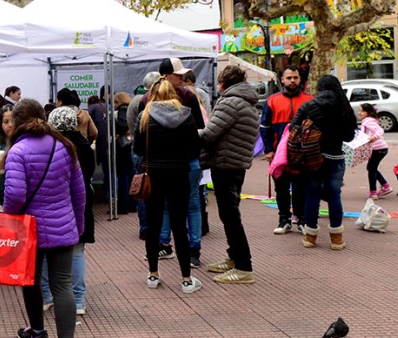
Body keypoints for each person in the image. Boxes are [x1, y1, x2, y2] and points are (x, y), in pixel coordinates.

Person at [5, 99, 85, 338]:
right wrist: (77, 224)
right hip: (62, 226)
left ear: (18, 122)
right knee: (62, 285)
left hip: (29, 229)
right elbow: (79, 191)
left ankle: (37, 330)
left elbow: (15, 195)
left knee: (30, 281)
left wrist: (10, 217)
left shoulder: (17, 151)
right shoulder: (63, 145)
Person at [132, 78, 203, 294]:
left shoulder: (144, 116)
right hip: (179, 173)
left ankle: (153, 274)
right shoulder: (186, 114)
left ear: (152, 95)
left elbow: (137, 148)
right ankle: (186, 278)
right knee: (179, 226)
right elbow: (194, 148)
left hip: (153, 173)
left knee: (153, 225)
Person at [198, 66, 259, 284]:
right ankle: (234, 257)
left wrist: (187, 132)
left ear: (223, 82)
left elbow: (209, 134)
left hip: (226, 164)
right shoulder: (246, 102)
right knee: (229, 214)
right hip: (235, 165)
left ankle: (244, 266)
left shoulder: (230, 102)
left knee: (231, 216)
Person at [290, 75, 356, 251]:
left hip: (312, 157)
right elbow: (350, 136)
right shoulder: (344, 106)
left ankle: (310, 237)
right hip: (335, 157)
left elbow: (293, 128)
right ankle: (336, 239)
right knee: (334, 195)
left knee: (312, 195)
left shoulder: (309, 105)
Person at [41, 107, 96, 316]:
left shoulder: (52, 147)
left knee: (46, 253)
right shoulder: (85, 146)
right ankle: (79, 299)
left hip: (55, 205)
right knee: (77, 252)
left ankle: (47, 296)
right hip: (82, 203)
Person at [260, 65, 313, 234]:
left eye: (295, 77)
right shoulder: (272, 101)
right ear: (282, 79)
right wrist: (268, 150)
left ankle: (302, 220)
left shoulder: (309, 100)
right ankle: (284, 220)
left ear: (300, 79)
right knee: (281, 188)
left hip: (302, 153)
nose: (292, 81)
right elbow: (264, 127)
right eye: (289, 78)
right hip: (278, 153)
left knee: (300, 188)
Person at [127, 72, 160, 240]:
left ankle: (146, 228)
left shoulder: (135, 100)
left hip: (138, 149)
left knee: (142, 189)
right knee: (148, 189)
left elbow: (132, 128)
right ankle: (152, 228)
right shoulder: (145, 101)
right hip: (147, 151)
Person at [359, 103, 392, 199]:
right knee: (371, 168)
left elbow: (380, 130)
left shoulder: (367, 121)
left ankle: (373, 192)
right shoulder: (369, 120)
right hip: (380, 149)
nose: (359, 113)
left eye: (362, 111)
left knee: (371, 169)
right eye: (359, 110)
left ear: (368, 112)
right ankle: (385, 186)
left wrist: (374, 137)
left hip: (378, 149)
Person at [113, 92, 135, 215]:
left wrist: (110, 120)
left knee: (123, 176)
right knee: (131, 174)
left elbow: (122, 124)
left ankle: (123, 205)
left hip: (122, 147)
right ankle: (132, 204)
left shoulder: (122, 109)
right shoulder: (131, 107)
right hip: (130, 145)